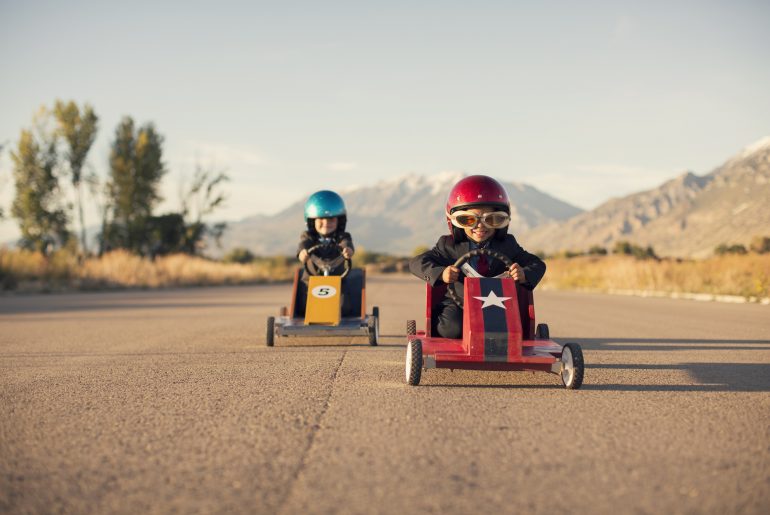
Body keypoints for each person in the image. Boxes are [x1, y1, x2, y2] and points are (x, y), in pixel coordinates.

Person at [409, 175, 546, 339]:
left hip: (498, 304)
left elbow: (537, 264)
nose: (480, 226)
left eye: (492, 219)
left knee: (513, 333)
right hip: (459, 304)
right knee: (451, 329)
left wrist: (524, 274)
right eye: (468, 220)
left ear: (502, 222)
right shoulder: (448, 245)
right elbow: (416, 262)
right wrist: (441, 273)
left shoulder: (508, 244)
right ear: (455, 222)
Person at [295, 190, 357, 315]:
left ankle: (338, 315)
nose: (326, 223)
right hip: (311, 280)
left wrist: (347, 251)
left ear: (340, 221)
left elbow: (347, 244)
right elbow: (303, 245)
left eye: (331, 220)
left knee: (345, 308)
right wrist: (302, 253)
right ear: (312, 221)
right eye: (321, 219)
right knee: (303, 307)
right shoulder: (308, 236)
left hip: (338, 280)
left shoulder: (342, 236)